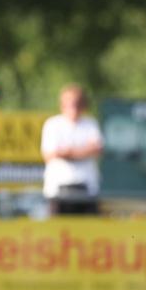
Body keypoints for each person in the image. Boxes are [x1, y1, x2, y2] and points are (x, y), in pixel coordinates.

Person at [41, 84, 103, 215]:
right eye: (71, 104)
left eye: (78, 104)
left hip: (87, 188)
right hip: (57, 189)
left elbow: (97, 149)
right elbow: (49, 154)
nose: (74, 108)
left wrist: (68, 152)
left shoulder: (90, 124)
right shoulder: (53, 124)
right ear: (62, 105)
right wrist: (83, 151)